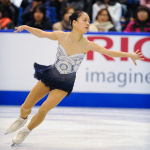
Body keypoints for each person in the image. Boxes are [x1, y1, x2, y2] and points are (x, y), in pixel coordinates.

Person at [5, 11, 144, 146]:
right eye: (85, 20)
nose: (88, 23)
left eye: (89, 20)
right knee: (25, 106)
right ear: (75, 23)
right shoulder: (61, 36)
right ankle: (22, 118)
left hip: (65, 83)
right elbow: (42, 34)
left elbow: (108, 52)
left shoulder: (88, 44)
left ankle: (26, 130)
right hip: (50, 75)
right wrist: (26, 27)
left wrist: (129, 55)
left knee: (43, 109)